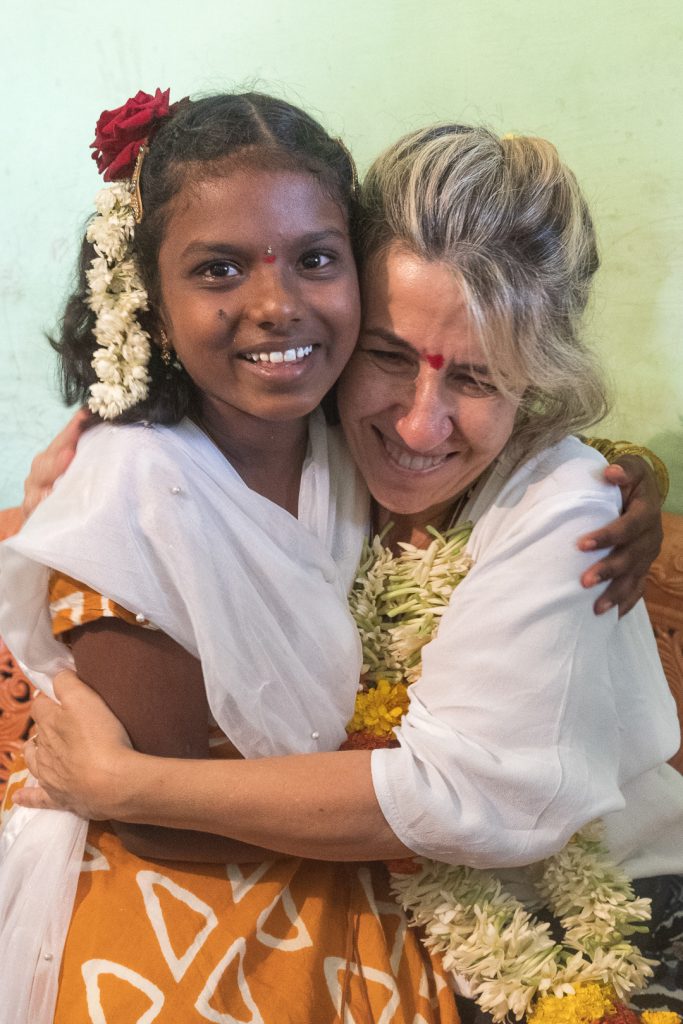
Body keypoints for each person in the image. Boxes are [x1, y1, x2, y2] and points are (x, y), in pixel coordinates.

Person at [0, 99, 671, 1024]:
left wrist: (128, 784)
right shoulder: (299, 430)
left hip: (566, 905)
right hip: (337, 891)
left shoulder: (568, 510)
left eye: (474, 378)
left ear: (536, 384)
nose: (417, 423)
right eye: (392, 355)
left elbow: (458, 796)